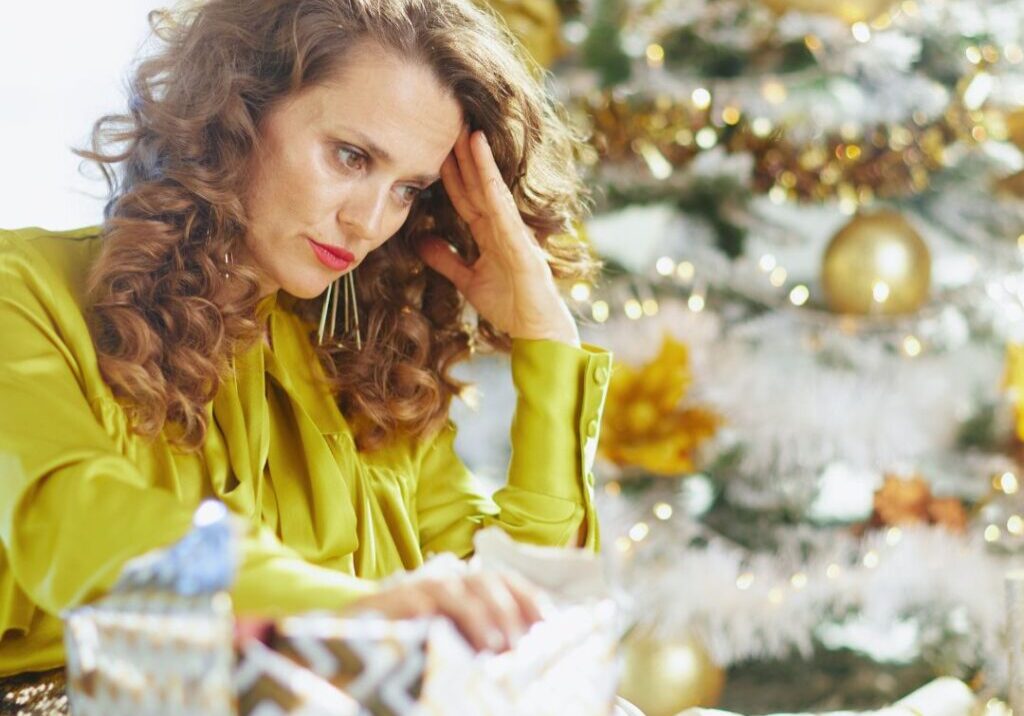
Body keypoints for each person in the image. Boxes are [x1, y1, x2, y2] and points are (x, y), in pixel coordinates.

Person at [0, 0, 612, 683]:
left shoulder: (370, 363)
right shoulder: (23, 290)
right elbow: (72, 522)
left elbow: (505, 624)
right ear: (237, 109)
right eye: (351, 157)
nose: (369, 221)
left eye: (410, 189)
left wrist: (547, 339)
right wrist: (361, 609)